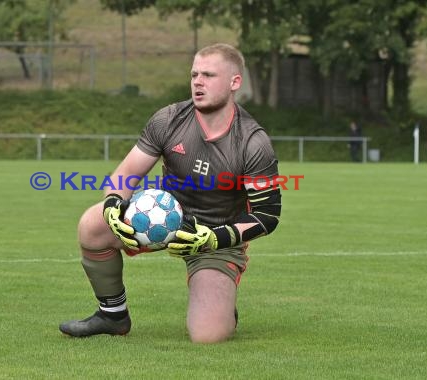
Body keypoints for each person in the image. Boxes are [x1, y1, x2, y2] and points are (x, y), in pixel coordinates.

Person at [59, 43, 282, 343]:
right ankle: (112, 315)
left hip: (216, 238)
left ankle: (223, 305)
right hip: (161, 220)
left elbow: (267, 216)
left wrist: (216, 237)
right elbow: (125, 176)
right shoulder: (168, 119)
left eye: (209, 75)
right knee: (92, 224)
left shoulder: (253, 143)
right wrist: (113, 204)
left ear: (234, 82)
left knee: (208, 336)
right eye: (194, 74)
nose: (198, 82)